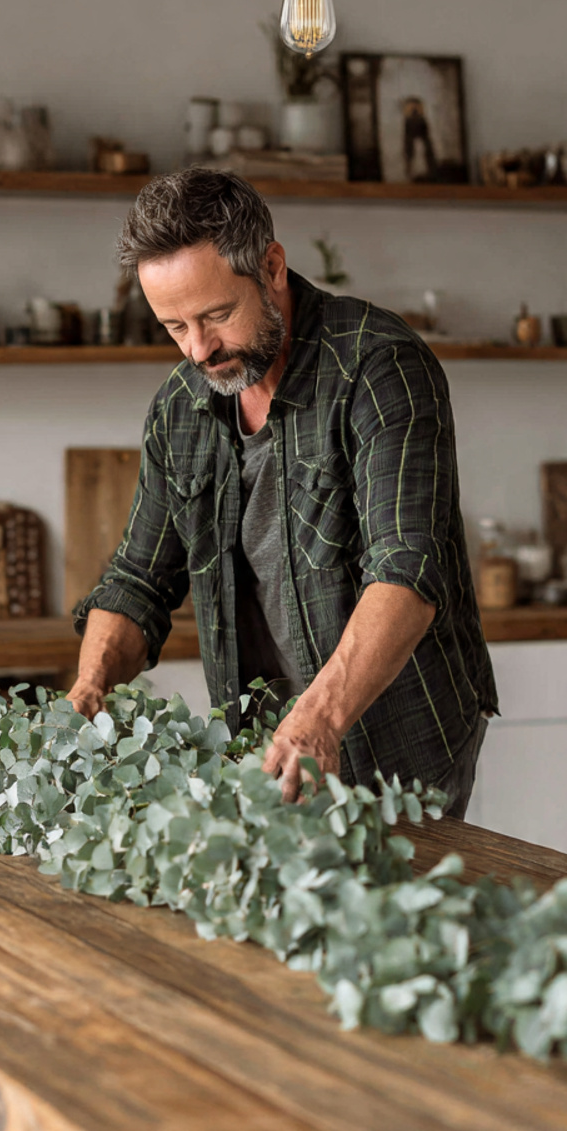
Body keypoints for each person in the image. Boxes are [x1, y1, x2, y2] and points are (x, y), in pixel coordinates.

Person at [69, 169, 497, 816]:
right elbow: (138, 580)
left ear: (271, 267)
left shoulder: (379, 368)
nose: (199, 350)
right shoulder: (180, 409)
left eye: (217, 315)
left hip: (398, 743)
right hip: (263, 749)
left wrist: (319, 718)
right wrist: (90, 685)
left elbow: (407, 569)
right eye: (174, 326)